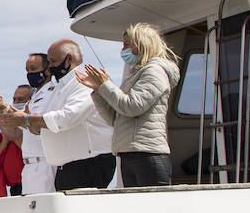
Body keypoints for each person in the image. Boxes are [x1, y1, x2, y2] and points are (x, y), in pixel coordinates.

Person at [0, 38, 114, 190]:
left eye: (53, 62)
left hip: (88, 163)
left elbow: (67, 117)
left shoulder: (83, 83)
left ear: (69, 59)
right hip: (66, 166)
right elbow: (37, 124)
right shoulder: (60, 88)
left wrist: (27, 119)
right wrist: (11, 114)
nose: (50, 68)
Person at [77, 22, 181, 187]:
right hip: (131, 154)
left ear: (141, 45)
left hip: (148, 154)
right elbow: (115, 118)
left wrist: (105, 85)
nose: (122, 49)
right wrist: (97, 90)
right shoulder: (136, 74)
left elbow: (132, 107)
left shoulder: (154, 71)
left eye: (127, 44)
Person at [0, 84, 32, 197]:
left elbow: (25, 146)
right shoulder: (9, 129)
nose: (16, 102)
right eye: (14, 99)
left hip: (28, 183)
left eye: (21, 99)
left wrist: (3, 119)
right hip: (14, 187)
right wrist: (6, 135)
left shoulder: (30, 125)